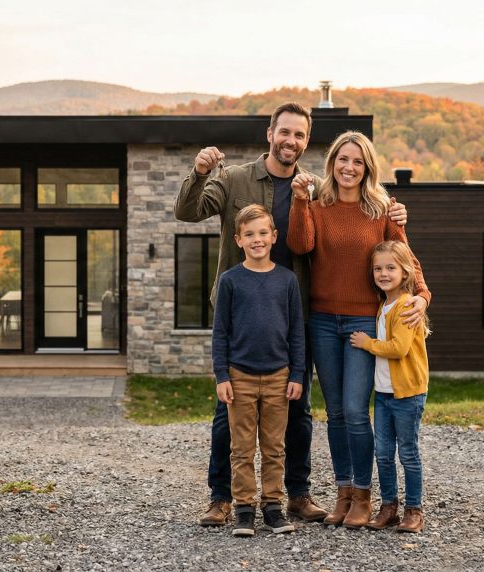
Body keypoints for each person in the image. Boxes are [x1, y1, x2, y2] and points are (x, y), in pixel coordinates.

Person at [176, 103, 409, 527]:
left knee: (298, 408)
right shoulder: (234, 179)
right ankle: (221, 497)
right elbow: (187, 212)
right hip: (242, 312)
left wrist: (395, 211)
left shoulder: (318, 189)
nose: (291, 141)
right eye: (284, 132)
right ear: (270, 133)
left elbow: (356, 221)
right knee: (229, 410)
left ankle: (297, 495)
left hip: (297, 312)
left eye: (300, 135)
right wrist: (198, 171)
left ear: (307, 141)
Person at [287, 131, 430, 529]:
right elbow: (300, 245)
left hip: (364, 322)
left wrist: (422, 294)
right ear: (332, 162)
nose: (349, 168)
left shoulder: (382, 209)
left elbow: (406, 258)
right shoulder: (317, 205)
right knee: (334, 414)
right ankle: (344, 493)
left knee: (354, 410)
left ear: (367, 168)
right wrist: (300, 202)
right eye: (342, 160)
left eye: (358, 162)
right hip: (322, 320)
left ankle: (364, 496)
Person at [212, 204, 304, 536]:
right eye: (249, 234)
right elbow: (220, 331)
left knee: (274, 446)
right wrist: (222, 375)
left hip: (279, 375)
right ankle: (244, 509)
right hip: (240, 376)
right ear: (238, 239)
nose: (257, 239)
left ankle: (274, 507)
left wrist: (296, 375)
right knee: (241, 447)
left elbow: (296, 331)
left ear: (274, 236)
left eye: (263, 233)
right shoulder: (231, 281)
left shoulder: (287, 280)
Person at [350, 241, 430, 534]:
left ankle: (414, 510)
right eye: (378, 268)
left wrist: (366, 343)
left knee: (407, 452)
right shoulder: (384, 304)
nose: (383, 273)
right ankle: (389, 507)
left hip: (407, 393)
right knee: (383, 453)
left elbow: (399, 348)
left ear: (405, 270)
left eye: (390, 268)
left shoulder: (407, 304)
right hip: (384, 394)